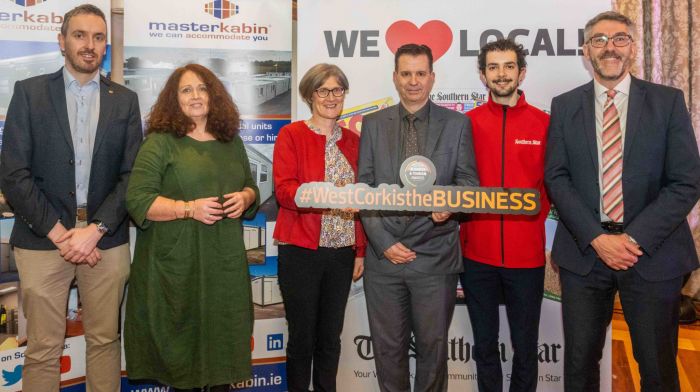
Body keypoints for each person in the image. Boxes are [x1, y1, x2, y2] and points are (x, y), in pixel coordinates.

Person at [544, 11, 700, 392]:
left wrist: (631, 241)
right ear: (586, 51)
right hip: (585, 255)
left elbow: (686, 181)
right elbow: (556, 178)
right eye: (598, 39)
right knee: (579, 366)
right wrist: (597, 238)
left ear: (632, 47)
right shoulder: (565, 106)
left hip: (651, 254)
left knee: (657, 368)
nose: (609, 46)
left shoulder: (667, 102)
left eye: (619, 38)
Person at [0, 4, 142, 392]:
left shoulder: (125, 101)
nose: (89, 45)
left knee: (105, 341)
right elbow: (13, 173)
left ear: (105, 47)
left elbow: (133, 176)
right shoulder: (29, 93)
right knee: (43, 348)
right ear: (61, 41)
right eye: (80, 35)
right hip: (42, 238)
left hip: (106, 239)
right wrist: (61, 233)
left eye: (98, 38)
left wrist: (94, 230)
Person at [124, 63, 259, 392]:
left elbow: (251, 188)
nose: (196, 96)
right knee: (182, 359)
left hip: (223, 266)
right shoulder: (160, 143)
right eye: (186, 90)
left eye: (203, 88)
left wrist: (246, 196)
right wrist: (188, 209)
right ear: (174, 98)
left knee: (222, 354)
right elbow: (138, 201)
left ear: (214, 95)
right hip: (177, 267)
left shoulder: (231, 142)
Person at [358, 44, 478, 392]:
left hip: (435, 254)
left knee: (433, 350)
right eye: (406, 73)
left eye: (420, 74)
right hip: (385, 259)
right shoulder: (374, 124)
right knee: (387, 350)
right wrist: (383, 242)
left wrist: (451, 204)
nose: (414, 81)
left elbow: (468, 183)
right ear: (395, 77)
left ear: (432, 77)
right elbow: (362, 187)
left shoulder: (457, 124)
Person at [459, 38, 550, 392]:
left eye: (509, 66)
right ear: (483, 75)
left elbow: (552, 187)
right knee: (484, 346)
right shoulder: (465, 123)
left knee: (526, 348)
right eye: (493, 67)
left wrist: (532, 227)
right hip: (476, 256)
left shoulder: (545, 124)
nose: (501, 74)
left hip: (526, 257)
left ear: (521, 72)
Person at [273, 63, 366, 392]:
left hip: (342, 253)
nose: (331, 97)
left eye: (337, 90)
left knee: (330, 338)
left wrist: (361, 250)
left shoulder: (355, 142)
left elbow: (363, 198)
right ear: (310, 95)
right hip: (300, 250)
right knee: (302, 338)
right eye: (323, 90)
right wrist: (329, 200)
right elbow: (284, 192)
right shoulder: (292, 135)